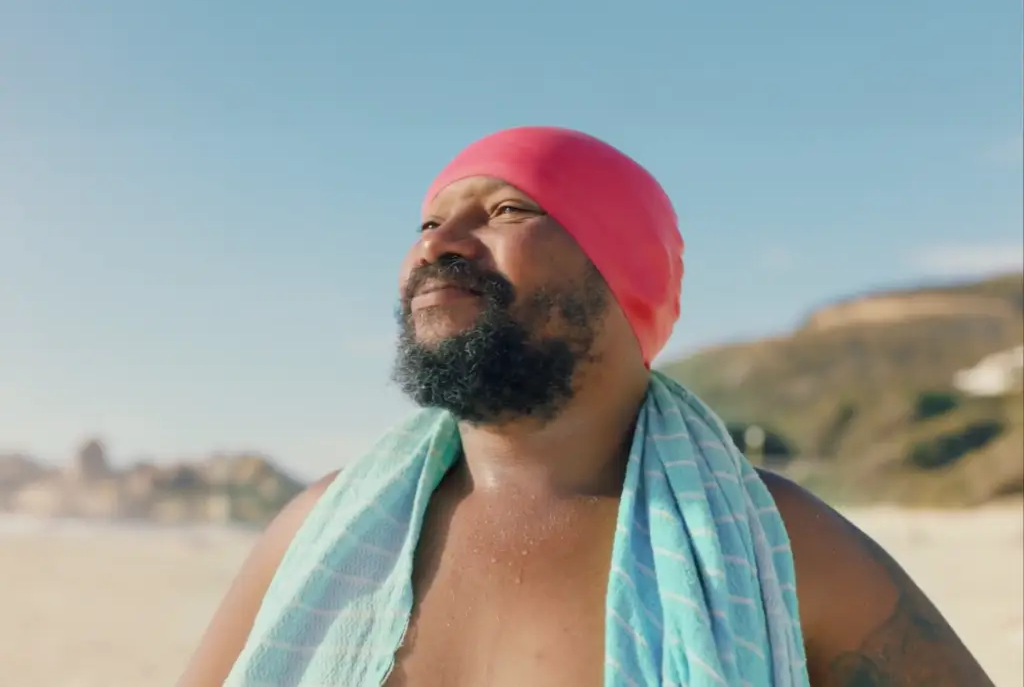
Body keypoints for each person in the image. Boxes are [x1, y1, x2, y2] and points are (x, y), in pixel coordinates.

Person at [177, 127, 993, 687]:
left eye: (506, 211)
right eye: (428, 222)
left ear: (624, 270)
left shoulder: (778, 544)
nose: (434, 243)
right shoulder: (316, 529)